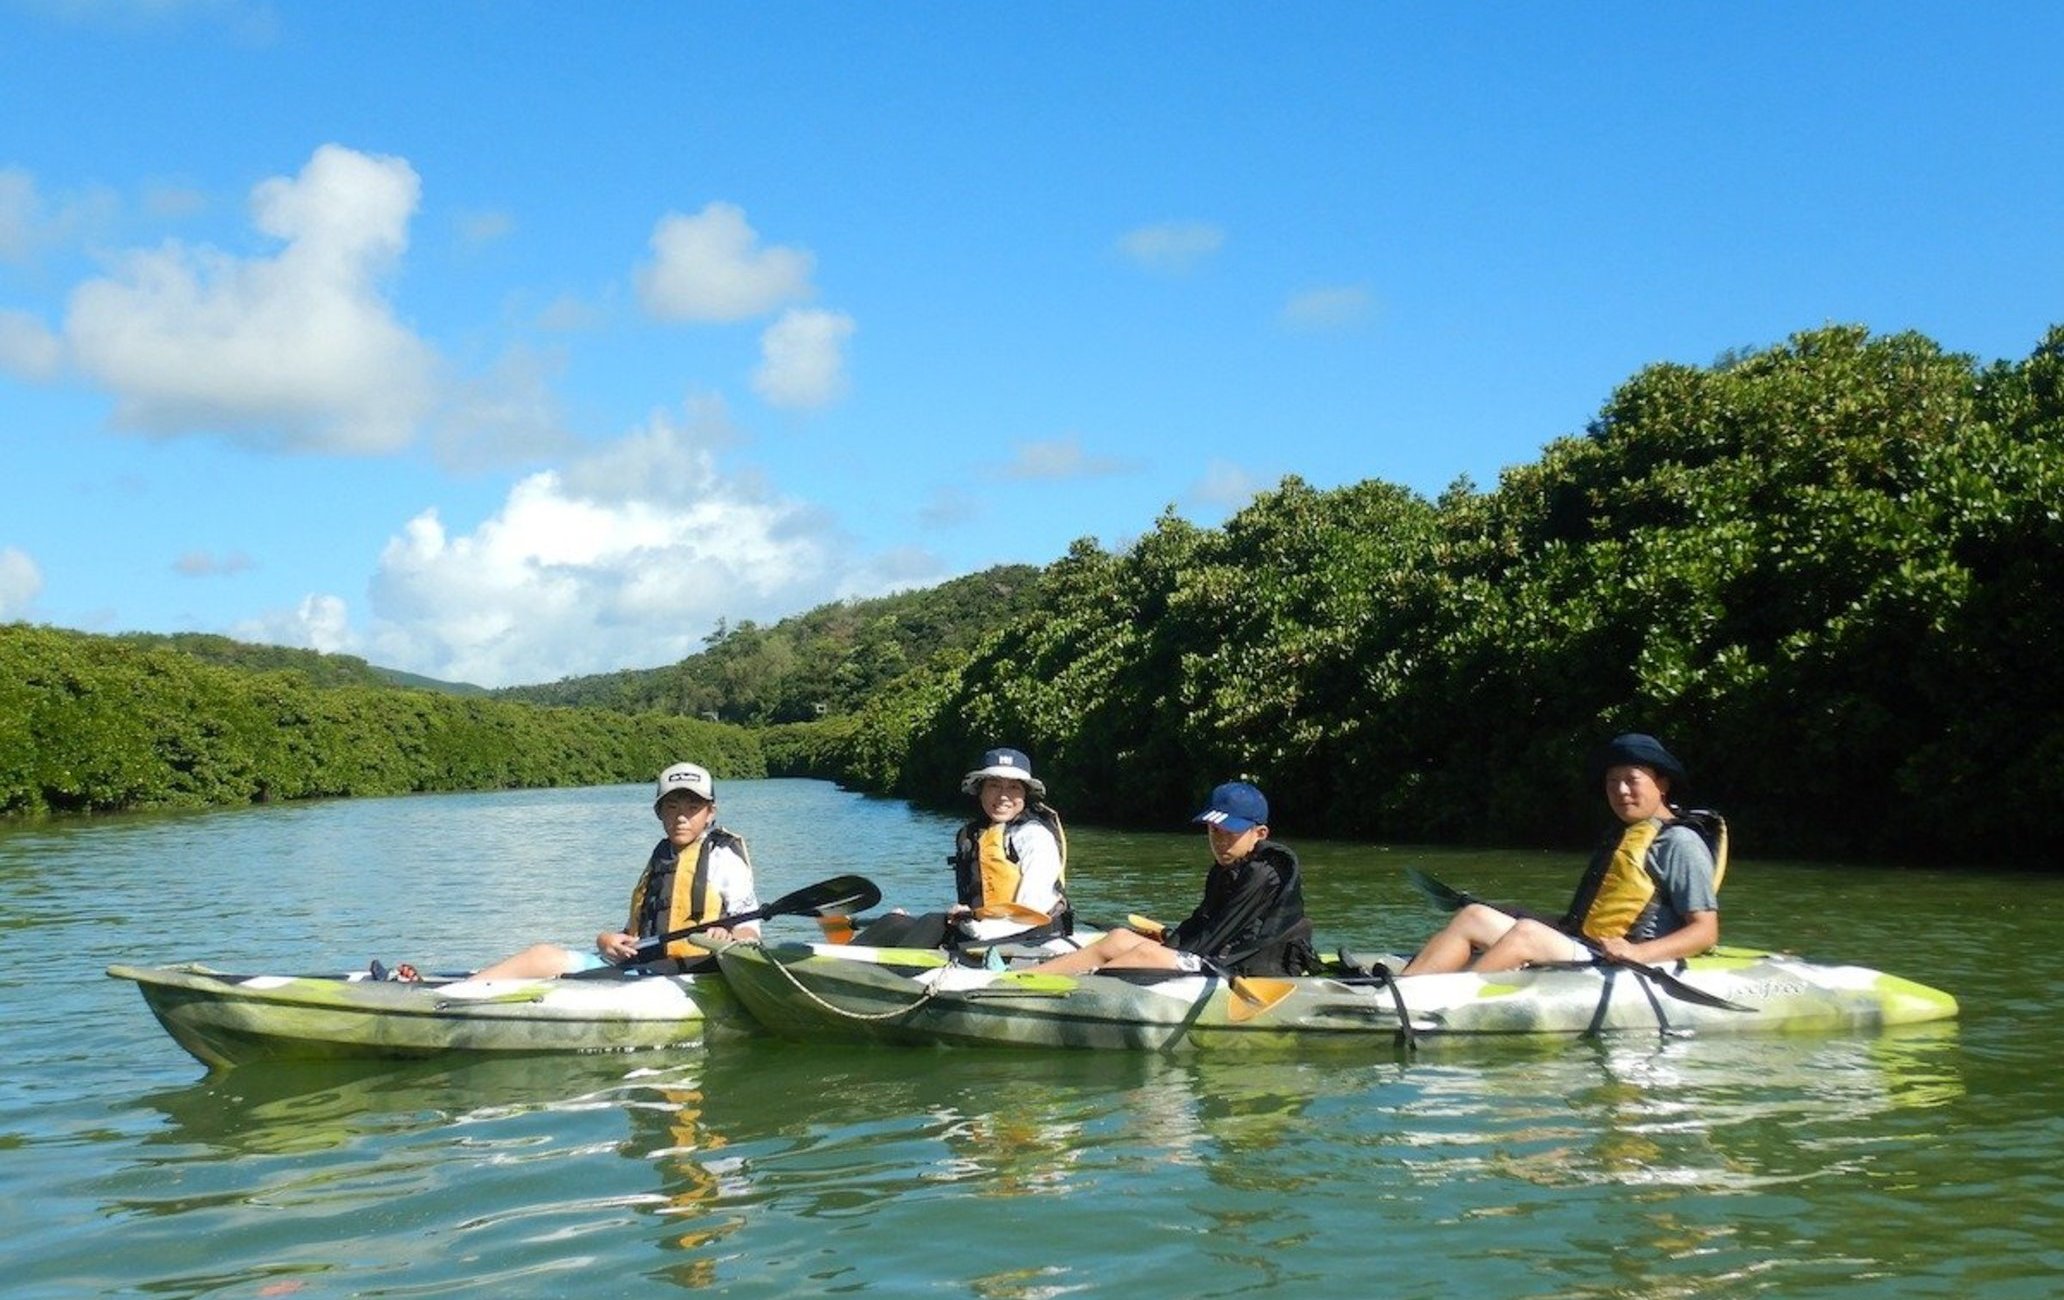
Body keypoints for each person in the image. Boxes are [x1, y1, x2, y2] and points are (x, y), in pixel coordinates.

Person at [1400, 733, 1722, 976]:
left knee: (1526, 935)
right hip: (1585, 946)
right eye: (1612, 782)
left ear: (1662, 783)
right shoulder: (1624, 835)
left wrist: (1639, 953)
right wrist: (1513, 911)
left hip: (1622, 959)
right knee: (1474, 916)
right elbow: (1578, 926)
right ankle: (1403, 991)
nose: (1621, 791)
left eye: (1631, 780)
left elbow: (1705, 932)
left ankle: (1446, 1007)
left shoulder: (1681, 842)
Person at [468, 761, 761, 980]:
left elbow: (750, 932)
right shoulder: (661, 857)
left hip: (693, 977)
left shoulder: (723, 857)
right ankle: (455, 993)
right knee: (540, 955)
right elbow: (635, 933)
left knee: (553, 966)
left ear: (711, 811)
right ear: (659, 813)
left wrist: (728, 937)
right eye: (671, 807)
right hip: (640, 969)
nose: (681, 817)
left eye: (692, 806)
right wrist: (606, 941)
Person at [1027, 780, 1320, 978]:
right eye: (1213, 830)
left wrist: (1161, 952)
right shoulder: (1225, 869)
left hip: (1249, 967)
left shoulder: (1263, 873)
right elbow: (1200, 920)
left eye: (1229, 832)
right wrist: (1170, 938)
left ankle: (1081, 991)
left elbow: (1219, 932)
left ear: (1260, 834)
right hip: (1218, 953)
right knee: (1119, 939)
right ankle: (1019, 980)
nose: (1219, 840)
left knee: (1144, 955)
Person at [852, 746, 1069, 948]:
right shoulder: (976, 834)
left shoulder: (1034, 835)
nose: (1003, 796)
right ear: (980, 791)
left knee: (933, 923)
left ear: (1025, 795)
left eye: (1013, 787)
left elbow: (1035, 907)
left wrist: (977, 929)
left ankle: (880, 979)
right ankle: (840, 961)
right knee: (896, 921)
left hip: (1032, 933)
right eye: (994, 785)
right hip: (986, 929)